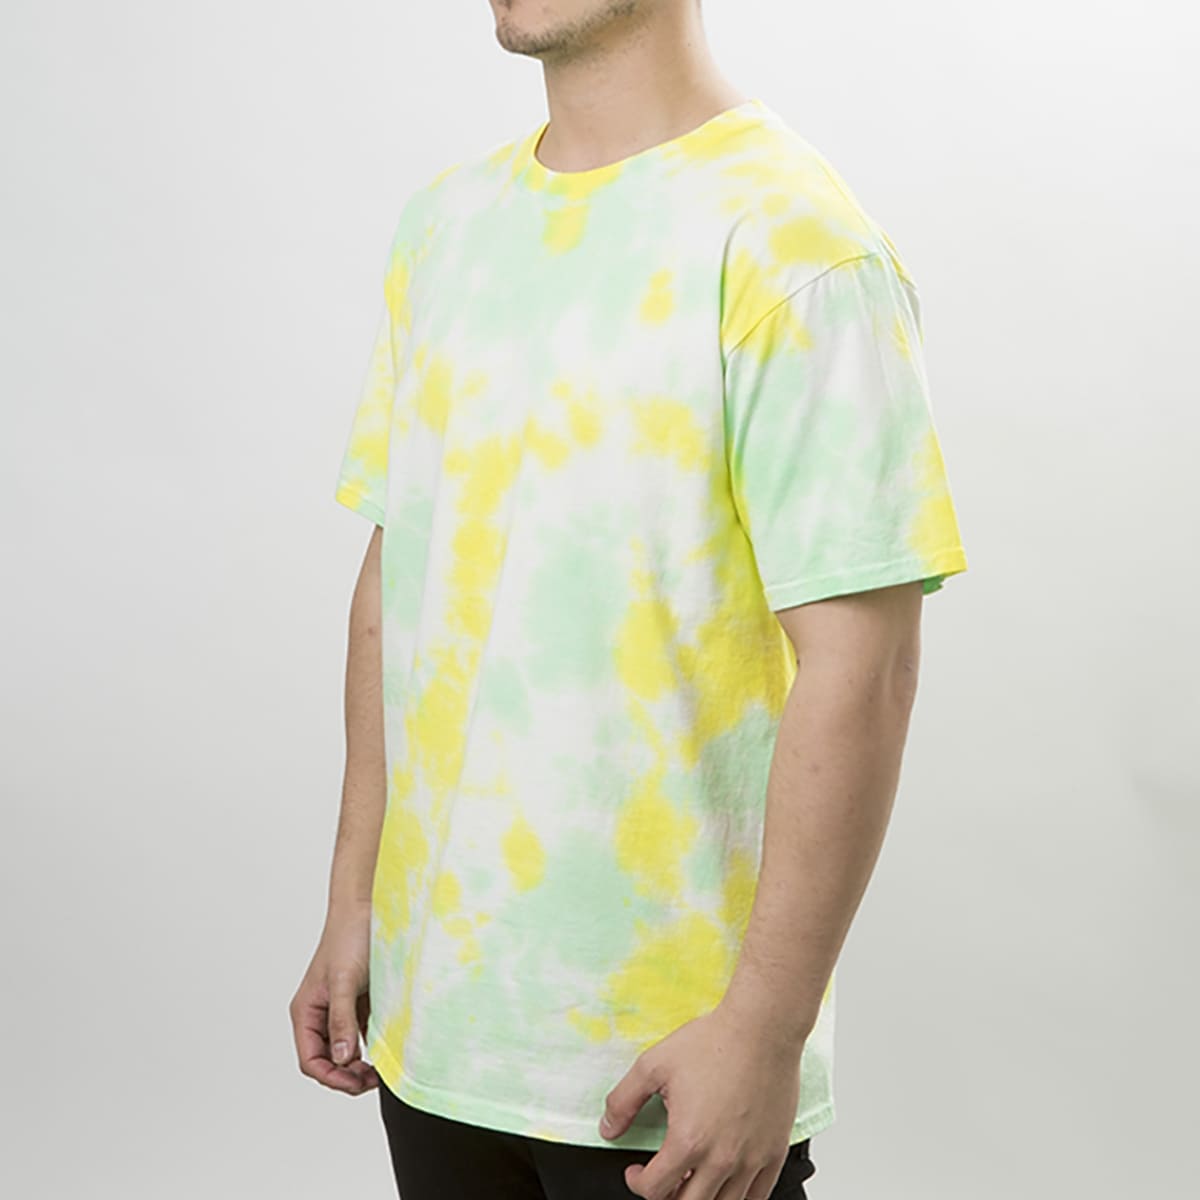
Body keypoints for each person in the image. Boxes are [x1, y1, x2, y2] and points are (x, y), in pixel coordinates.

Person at [289, 2, 969, 1197]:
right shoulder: (446, 227)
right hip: (435, 1031)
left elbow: (864, 669)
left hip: (670, 1065)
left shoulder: (795, 241)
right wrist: (354, 905)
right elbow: (401, 579)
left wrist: (764, 1028)